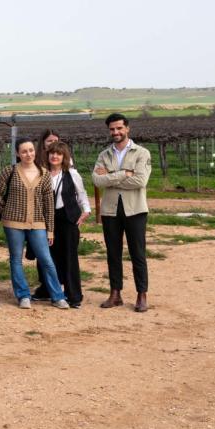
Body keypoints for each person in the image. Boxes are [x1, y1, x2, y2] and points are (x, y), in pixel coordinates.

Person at [0, 138, 70, 309]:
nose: (28, 154)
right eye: (24, 151)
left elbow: (49, 204)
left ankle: (57, 296)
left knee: (46, 259)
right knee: (16, 259)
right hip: (13, 224)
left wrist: (50, 230)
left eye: (31, 150)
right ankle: (23, 296)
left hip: (37, 223)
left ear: (35, 151)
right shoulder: (9, 171)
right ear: (17, 153)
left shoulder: (44, 173)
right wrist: (6, 212)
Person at [93, 113, 152, 312]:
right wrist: (124, 174)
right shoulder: (104, 155)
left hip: (135, 210)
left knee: (138, 253)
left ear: (127, 128)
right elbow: (97, 180)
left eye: (119, 128)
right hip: (110, 211)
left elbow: (140, 181)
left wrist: (110, 176)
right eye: (112, 129)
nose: (116, 132)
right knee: (113, 253)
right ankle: (115, 293)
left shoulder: (141, 153)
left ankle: (141, 294)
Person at [47, 142, 91, 308]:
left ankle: (74, 296)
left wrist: (86, 210)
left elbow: (81, 193)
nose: (55, 156)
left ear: (64, 156)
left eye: (58, 154)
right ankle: (57, 294)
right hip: (49, 220)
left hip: (68, 219)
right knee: (52, 257)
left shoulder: (72, 174)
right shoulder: (43, 174)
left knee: (70, 257)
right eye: (52, 153)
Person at [31, 128, 65, 300]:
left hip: (61, 213)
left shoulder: (63, 161)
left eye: (55, 140)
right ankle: (45, 286)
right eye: (49, 141)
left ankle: (59, 284)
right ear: (43, 143)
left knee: (59, 251)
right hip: (39, 214)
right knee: (42, 252)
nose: (53, 144)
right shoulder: (36, 162)